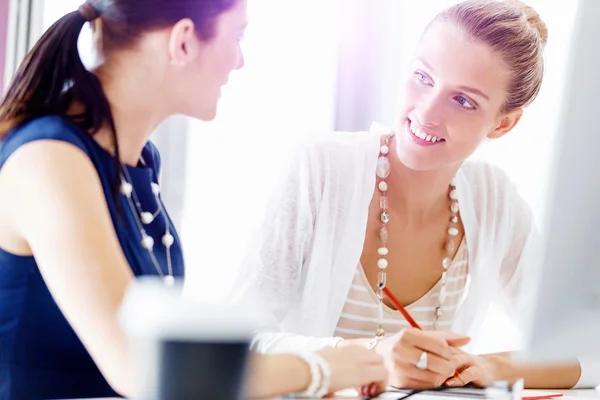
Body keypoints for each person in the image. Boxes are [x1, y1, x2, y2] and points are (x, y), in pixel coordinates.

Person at [0, 0, 388, 399]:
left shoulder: (141, 160)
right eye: (236, 37)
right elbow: (143, 369)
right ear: (183, 41)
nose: (239, 61)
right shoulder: (48, 159)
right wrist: (321, 367)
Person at [231, 0, 600, 391]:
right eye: (423, 77)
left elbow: (588, 346)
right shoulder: (321, 170)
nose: (426, 112)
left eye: (463, 100)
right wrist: (372, 358)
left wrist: (490, 366)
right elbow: (236, 345)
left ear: (504, 123)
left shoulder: (495, 201)